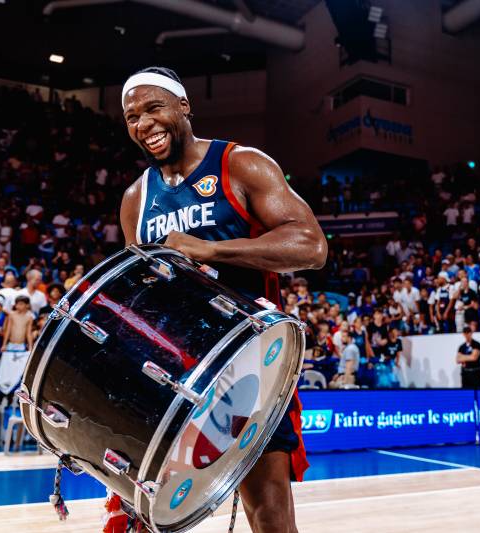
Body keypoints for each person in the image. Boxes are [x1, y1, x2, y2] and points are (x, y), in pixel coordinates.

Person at [119, 66, 326, 533]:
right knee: (146, 518)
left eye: (154, 108)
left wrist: (211, 249)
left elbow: (311, 247)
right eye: (132, 117)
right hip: (173, 376)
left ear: (184, 107)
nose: (144, 124)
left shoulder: (240, 164)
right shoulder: (136, 198)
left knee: (268, 515)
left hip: (248, 368)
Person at [0, 295, 34, 395]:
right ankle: (3, 392)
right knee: (7, 369)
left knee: (17, 371)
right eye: (17, 304)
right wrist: (4, 344)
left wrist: (30, 347)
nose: (18, 306)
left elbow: (28, 333)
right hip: (10, 345)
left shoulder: (29, 317)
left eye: (21, 304)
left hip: (21, 346)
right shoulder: (12, 315)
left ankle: (12, 394)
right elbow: (7, 330)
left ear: (27, 305)